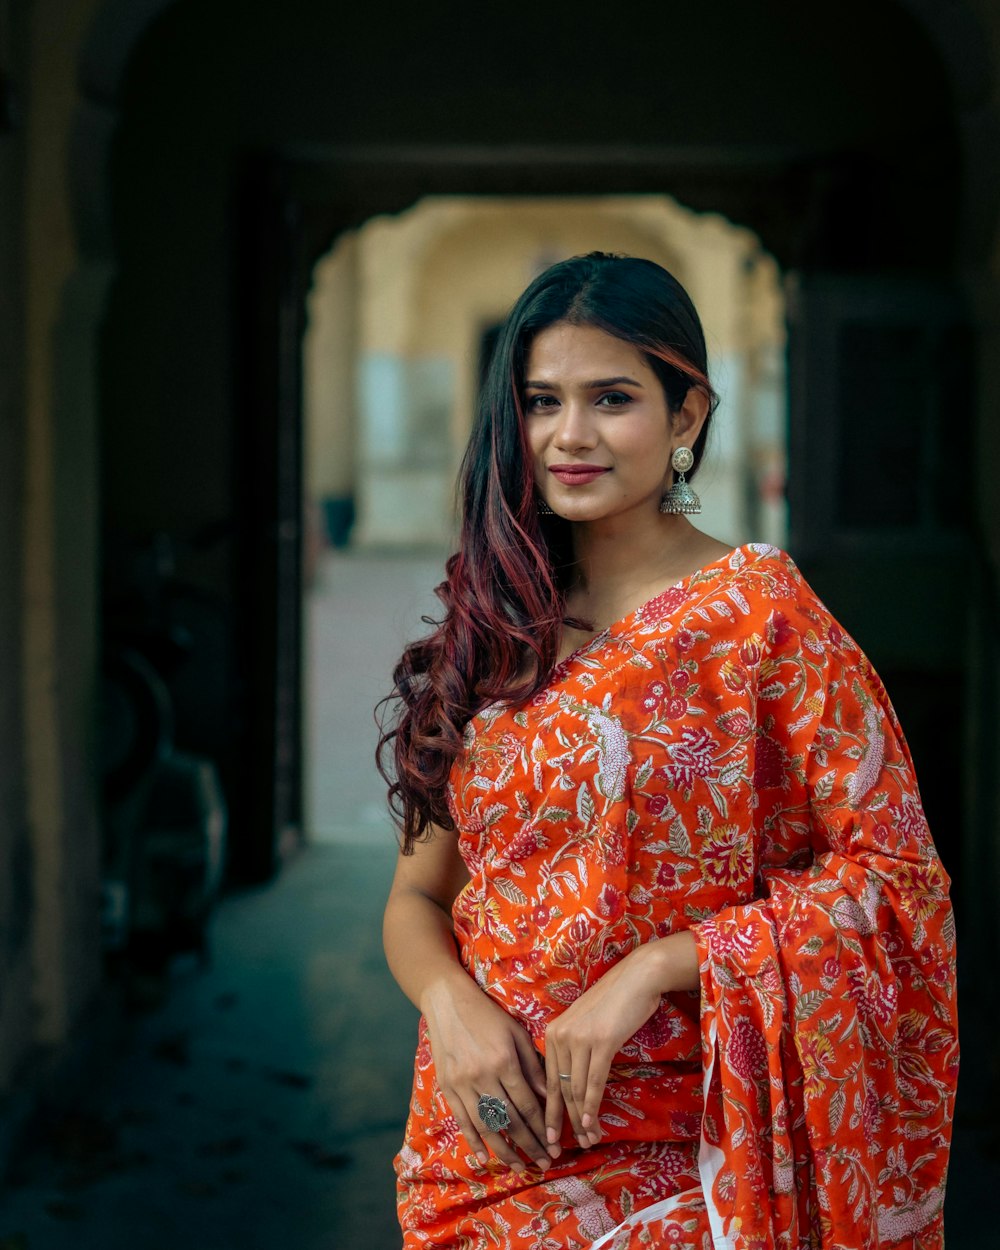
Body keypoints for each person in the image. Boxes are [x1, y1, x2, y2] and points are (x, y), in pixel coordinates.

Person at [379, 252, 958, 1249]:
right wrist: (450, 1004)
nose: (569, 435)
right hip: (480, 1147)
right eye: (540, 400)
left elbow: (897, 885)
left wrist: (658, 964)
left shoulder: (763, 620)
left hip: (691, 1155)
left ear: (685, 414)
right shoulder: (495, 626)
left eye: (612, 398)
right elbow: (417, 898)